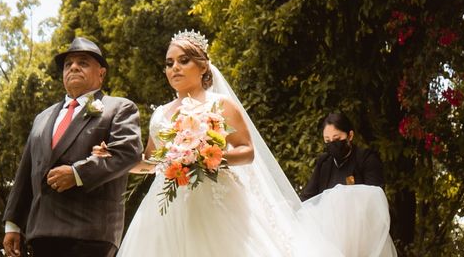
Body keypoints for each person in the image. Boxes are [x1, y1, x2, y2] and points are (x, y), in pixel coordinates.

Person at [102, 30, 394, 256]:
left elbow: (247, 151)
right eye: (169, 63)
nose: (174, 68)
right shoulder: (159, 114)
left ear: (203, 67)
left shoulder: (222, 104)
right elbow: (152, 162)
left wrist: (207, 157)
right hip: (166, 205)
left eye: (183, 60)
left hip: (217, 201)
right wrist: (116, 158)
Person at [2, 37, 143, 257]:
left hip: (91, 232)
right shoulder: (42, 117)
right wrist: (13, 223)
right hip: (41, 232)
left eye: (83, 62)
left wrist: (78, 173)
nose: (74, 67)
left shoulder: (119, 107)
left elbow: (128, 152)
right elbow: (25, 173)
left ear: (101, 73)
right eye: (68, 64)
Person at [300, 112, 385, 201]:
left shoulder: (366, 159)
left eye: (337, 139)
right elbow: (307, 197)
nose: (332, 144)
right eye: (328, 140)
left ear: (350, 135)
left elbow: (375, 199)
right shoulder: (324, 162)